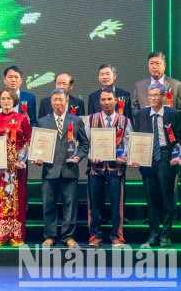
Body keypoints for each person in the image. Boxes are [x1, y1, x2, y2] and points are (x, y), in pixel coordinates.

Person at [33, 88, 89, 247]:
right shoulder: (43, 121)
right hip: (49, 170)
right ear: (51, 102)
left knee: (70, 205)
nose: (57, 103)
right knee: (49, 205)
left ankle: (68, 236)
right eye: (54, 100)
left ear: (67, 102)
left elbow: (85, 144)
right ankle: (50, 236)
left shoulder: (76, 120)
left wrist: (79, 156)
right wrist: (37, 157)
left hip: (69, 170)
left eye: (60, 100)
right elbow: (38, 145)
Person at [131, 82, 181, 247]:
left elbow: (179, 139)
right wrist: (135, 156)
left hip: (167, 157)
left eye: (155, 95)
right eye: (150, 95)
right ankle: (153, 234)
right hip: (147, 159)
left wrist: (177, 155)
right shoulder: (141, 114)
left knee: (167, 198)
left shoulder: (174, 114)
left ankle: (165, 234)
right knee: (151, 198)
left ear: (163, 97)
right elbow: (136, 138)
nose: (152, 98)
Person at [0, 88, 31, 246]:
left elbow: (28, 142)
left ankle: (15, 236)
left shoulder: (22, 119)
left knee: (16, 201)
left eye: (9, 99)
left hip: (17, 169)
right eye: (3, 98)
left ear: (14, 100)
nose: (6, 101)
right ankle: (0, 235)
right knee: (1, 199)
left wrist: (22, 160)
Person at [85, 87, 131, 247]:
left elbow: (127, 142)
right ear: (99, 102)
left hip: (115, 169)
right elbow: (86, 142)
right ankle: (95, 235)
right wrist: (90, 154)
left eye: (109, 99)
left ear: (115, 101)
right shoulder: (90, 119)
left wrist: (124, 155)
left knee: (116, 204)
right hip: (95, 168)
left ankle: (116, 236)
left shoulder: (125, 121)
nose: (106, 103)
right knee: (94, 204)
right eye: (103, 100)